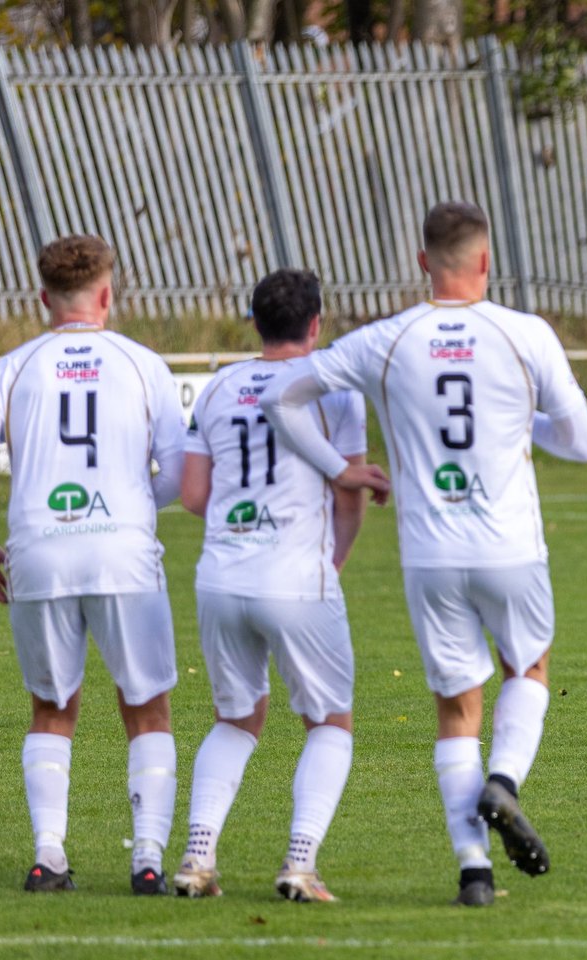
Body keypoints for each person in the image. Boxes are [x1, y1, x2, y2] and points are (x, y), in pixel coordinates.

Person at [260, 201, 587, 907]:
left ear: (423, 263)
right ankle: (503, 780)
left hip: (428, 552)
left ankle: (474, 871)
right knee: (528, 668)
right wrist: (521, 423)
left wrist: (339, 467)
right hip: (509, 544)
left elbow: (282, 396)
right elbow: (580, 440)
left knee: (454, 708)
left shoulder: (386, 338)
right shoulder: (522, 333)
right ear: (484, 261)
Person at [0, 235, 186, 893]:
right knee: (147, 708)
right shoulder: (143, 363)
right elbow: (177, 470)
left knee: (52, 708)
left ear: (42, 298)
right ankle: (146, 860)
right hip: (123, 552)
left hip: (39, 550)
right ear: (108, 294)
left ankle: (48, 855)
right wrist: (134, 505)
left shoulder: (15, 366)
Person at [171, 269, 388, 902]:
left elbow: (192, 495)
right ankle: (298, 863)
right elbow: (349, 495)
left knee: (236, 719)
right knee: (328, 721)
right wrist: (333, 562)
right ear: (317, 324)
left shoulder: (217, 387)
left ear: (255, 323)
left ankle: (196, 858)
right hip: (297, 576)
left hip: (220, 577)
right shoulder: (334, 390)